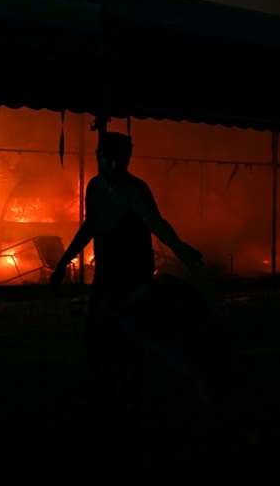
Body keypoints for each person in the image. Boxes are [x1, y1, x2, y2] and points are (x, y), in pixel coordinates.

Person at [48, 130, 207, 441]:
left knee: (129, 345)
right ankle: (107, 400)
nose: (114, 163)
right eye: (108, 157)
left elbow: (155, 223)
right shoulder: (95, 188)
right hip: (107, 275)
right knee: (96, 341)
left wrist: (181, 248)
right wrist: (62, 263)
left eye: (121, 158)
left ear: (128, 159)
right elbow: (90, 227)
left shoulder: (136, 190)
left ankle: (128, 410)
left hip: (134, 276)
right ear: (99, 156)